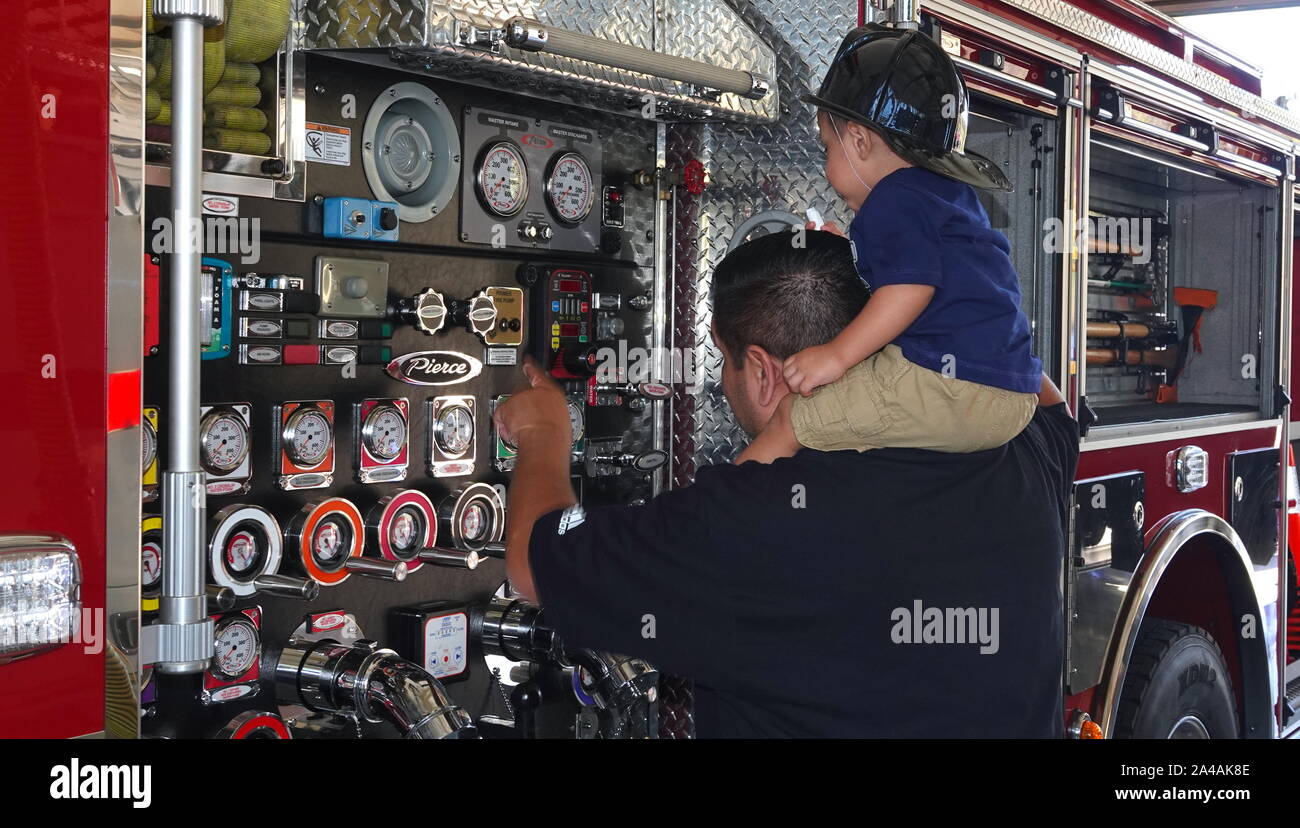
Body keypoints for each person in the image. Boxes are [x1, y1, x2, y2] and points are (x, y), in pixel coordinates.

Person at [494, 231, 1079, 738]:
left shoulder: (752, 520)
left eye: (725, 360)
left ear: (766, 371)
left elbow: (529, 559)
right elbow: (1022, 375)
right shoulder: (1015, 450)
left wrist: (546, 431)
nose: (723, 383)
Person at [739, 24, 1043, 464]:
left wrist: (835, 355)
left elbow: (911, 288)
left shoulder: (893, 197)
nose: (826, 166)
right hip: (1012, 398)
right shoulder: (944, 195)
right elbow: (926, 274)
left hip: (952, 387)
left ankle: (712, 519)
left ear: (859, 141)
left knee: (791, 419)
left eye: (827, 147)